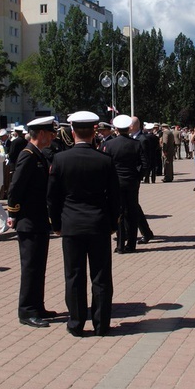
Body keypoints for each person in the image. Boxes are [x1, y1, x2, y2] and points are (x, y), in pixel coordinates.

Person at [47, 111, 120, 337]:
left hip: (71, 225)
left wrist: (56, 224)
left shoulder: (60, 160)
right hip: (98, 224)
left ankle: (76, 323)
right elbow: (115, 197)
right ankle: (101, 324)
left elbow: (52, 197)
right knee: (101, 277)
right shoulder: (105, 160)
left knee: (74, 276)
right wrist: (112, 224)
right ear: (94, 131)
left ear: (72, 131)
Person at [7, 117, 58, 328]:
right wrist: (13, 213)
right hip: (29, 220)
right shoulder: (28, 155)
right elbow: (15, 188)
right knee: (30, 268)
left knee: (39, 266)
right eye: (50, 132)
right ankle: (27, 310)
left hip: (39, 220)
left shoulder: (38, 155)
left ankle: (37, 305)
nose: (53, 136)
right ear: (42, 133)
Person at [102, 114, 146, 254]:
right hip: (132, 182)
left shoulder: (109, 144)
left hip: (116, 182)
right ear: (128, 128)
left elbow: (105, 165)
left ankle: (120, 244)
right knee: (132, 212)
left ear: (116, 128)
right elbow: (144, 164)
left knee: (118, 212)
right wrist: (138, 176)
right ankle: (132, 244)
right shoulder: (136, 143)